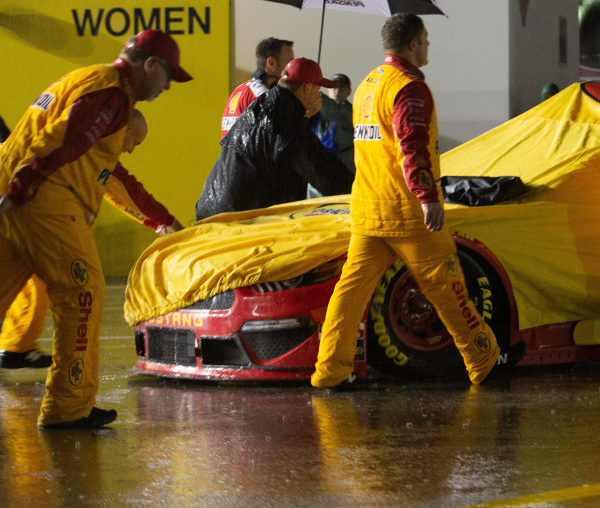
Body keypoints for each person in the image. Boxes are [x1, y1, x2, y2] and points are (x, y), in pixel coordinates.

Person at [312, 14, 524, 389]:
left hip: (367, 210)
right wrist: (429, 198)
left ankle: (331, 369)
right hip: (408, 213)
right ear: (412, 44)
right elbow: (413, 148)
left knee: (349, 294)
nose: (429, 46)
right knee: (448, 288)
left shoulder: (367, 86)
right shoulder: (409, 88)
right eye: (425, 39)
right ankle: (484, 359)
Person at [0, 29, 190, 429]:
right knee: (82, 292)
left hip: (17, 191)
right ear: (150, 64)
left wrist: (162, 220)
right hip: (41, 198)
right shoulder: (112, 96)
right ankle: (68, 407)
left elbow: (110, 175)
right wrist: (23, 186)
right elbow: (60, 142)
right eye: (168, 76)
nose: (168, 86)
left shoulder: (88, 78)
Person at [0, 109, 181, 371]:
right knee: (82, 288)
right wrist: (166, 222)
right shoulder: (94, 149)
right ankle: (69, 383)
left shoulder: (85, 138)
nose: (131, 150)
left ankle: (16, 347)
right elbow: (127, 190)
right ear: (125, 130)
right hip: (19, 210)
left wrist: (157, 223)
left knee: (34, 280)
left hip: (19, 211)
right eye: (135, 142)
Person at [196, 58, 354, 220]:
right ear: (307, 88)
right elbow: (325, 174)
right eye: (317, 89)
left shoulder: (262, 104)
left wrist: (303, 117)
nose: (318, 96)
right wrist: (360, 189)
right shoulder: (286, 118)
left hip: (211, 211)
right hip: (237, 220)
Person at [220, 37, 294, 138]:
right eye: (289, 63)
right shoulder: (262, 95)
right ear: (271, 63)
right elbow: (278, 137)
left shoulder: (240, 90)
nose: (292, 69)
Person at [308, 74, 355, 199]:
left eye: (342, 87)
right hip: (319, 167)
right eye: (334, 87)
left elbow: (336, 112)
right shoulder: (316, 111)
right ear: (328, 89)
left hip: (344, 168)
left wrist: (313, 92)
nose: (337, 90)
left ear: (349, 91)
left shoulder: (352, 112)